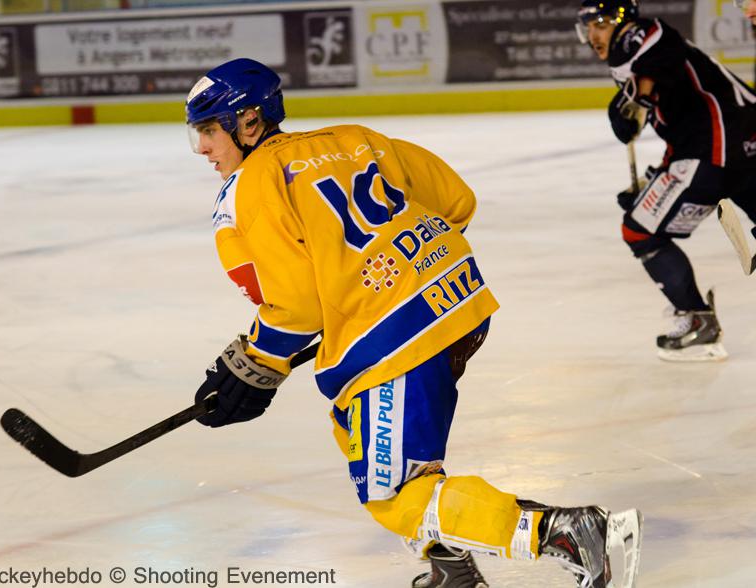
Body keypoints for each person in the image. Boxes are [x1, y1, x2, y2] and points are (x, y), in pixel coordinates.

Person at [185, 58, 642, 588]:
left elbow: (297, 308)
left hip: (394, 336)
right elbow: (456, 201)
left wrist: (257, 360)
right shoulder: (355, 138)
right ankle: (452, 569)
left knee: (393, 493)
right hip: (456, 301)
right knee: (362, 431)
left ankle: (569, 532)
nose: (203, 148)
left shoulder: (249, 187)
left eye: (210, 131)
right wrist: (407, 266)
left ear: (248, 122)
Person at [577, 0, 756, 362]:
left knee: (639, 231)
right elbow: (681, 129)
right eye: (588, 27)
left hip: (719, 149)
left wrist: (639, 97)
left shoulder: (637, 36)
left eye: (600, 24)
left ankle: (697, 324)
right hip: (741, 142)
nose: (593, 35)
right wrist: (654, 181)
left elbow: (660, 42)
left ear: (621, 22)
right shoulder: (634, 65)